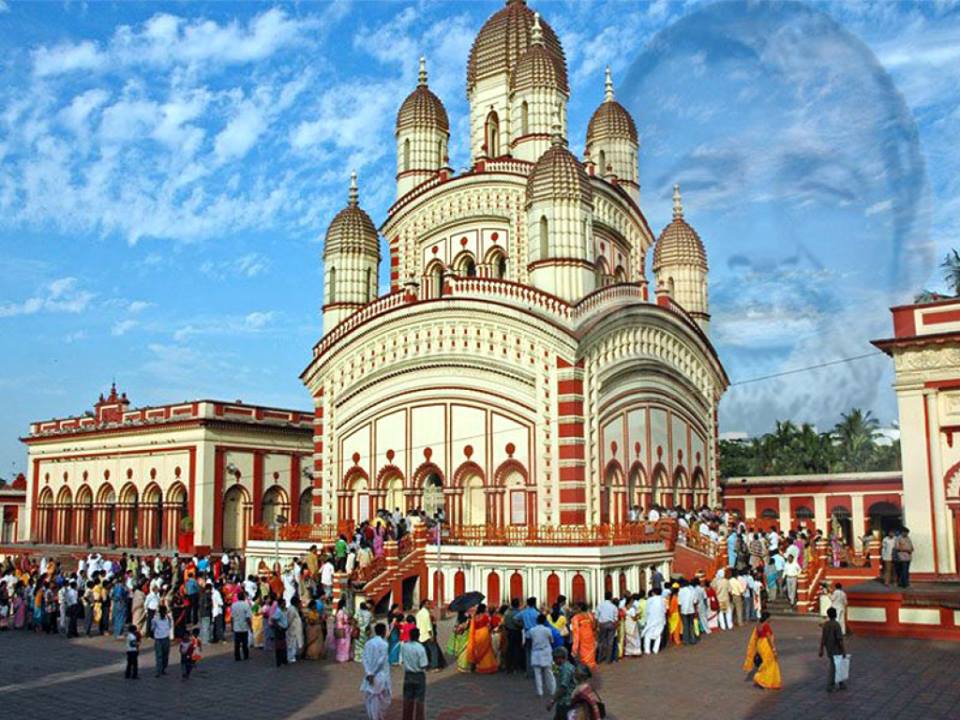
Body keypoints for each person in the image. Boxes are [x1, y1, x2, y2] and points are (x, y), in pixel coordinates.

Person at [360, 622, 392, 720]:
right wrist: (372, 673)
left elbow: (364, 658)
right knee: (379, 698)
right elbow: (380, 661)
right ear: (383, 632)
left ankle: (374, 717)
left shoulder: (368, 643)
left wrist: (368, 672)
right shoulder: (384, 644)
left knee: (372, 698)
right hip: (380, 674)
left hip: (370, 673)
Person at [743, 611, 782, 690]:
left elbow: (755, 637)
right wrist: (773, 649)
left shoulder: (758, 625)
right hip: (766, 645)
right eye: (769, 618)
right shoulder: (766, 626)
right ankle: (761, 679)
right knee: (769, 663)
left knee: (767, 662)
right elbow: (768, 638)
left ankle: (768, 681)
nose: (770, 619)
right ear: (767, 618)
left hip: (760, 644)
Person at [400, 627, 429, 720]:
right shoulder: (420, 648)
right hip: (418, 675)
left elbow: (402, 660)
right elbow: (423, 664)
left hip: (408, 675)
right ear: (418, 636)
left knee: (407, 700)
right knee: (419, 701)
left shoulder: (405, 646)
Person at [819, 607, 847, 692]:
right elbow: (839, 639)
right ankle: (831, 685)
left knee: (837, 665)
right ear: (835, 614)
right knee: (835, 667)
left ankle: (841, 683)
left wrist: (821, 649)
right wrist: (843, 650)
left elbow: (823, 638)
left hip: (829, 648)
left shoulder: (826, 625)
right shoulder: (836, 625)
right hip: (836, 648)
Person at [527, 613, 556, 698]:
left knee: (537, 674)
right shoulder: (547, 630)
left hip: (536, 653)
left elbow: (528, 638)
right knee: (549, 673)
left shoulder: (532, 630)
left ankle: (540, 692)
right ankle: (552, 690)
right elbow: (551, 640)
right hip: (546, 652)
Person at [467, 602, 498, 674]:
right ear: (483, 609)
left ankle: (477, 666)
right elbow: (489, 626)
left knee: (477, 650)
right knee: (487, 651)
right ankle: (487, 666)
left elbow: (472, 627)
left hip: (476, 635)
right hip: (484, 634)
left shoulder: (474, 617)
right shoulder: (485, 616)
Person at [547, 647, 577, 720]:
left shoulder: (565, 669)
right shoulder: (569, 666)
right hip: (569, 701)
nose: (554, 661)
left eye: (554, 658)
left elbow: (563, 688)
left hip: (565, 703)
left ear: (560, 658)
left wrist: (552, 701)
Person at [570, 603, 597, 670]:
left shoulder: (576, 618)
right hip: (590, 637)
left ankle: (585, 668)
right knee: (590, 654)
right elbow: (594, 627)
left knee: (583, 654)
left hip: (582, 638)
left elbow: (576, 632)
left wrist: (574, 648)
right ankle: (590, 667)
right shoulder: (590, 615)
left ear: (579, 609)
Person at [594, 591, 618, 663]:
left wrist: (596, 626)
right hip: (611, 624)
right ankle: (608, 659)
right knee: (610, 642)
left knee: (601, 642)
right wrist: (615, 627)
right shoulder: (613, 606)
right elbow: (615, 618)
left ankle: (599, 658)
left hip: (602, 624)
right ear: (611, 597)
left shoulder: (600, 605)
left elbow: (596, 617)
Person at [231, 589, 252, 661]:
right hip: (244, 626)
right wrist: (250, 627)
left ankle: (237, 657)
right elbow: (248, 617)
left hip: (236, 627)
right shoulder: (246, 605)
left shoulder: (234, 605)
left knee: (237, 644)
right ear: (243, 597)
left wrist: (232, 626)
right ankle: (246, 655)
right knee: (244, 643)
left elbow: (232, 617)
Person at [678, 578, 698, 645]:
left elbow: (679, 603)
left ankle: (686, 640)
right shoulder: (692, 590)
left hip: (684, 610)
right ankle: (693, 639)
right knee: (691, 625)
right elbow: (695, 601)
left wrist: (679, 611)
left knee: (685, 626)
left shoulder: (681, 591)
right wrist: (695, 610)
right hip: (691, 609)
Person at [334, 597, 352, 662]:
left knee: (339, 643)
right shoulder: (342, 612)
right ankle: (345, 657)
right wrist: (348, 622)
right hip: (344, 629)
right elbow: (342, 621)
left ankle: (339, 657)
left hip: (338, 628)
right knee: (345, 643)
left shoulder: (338, 612)